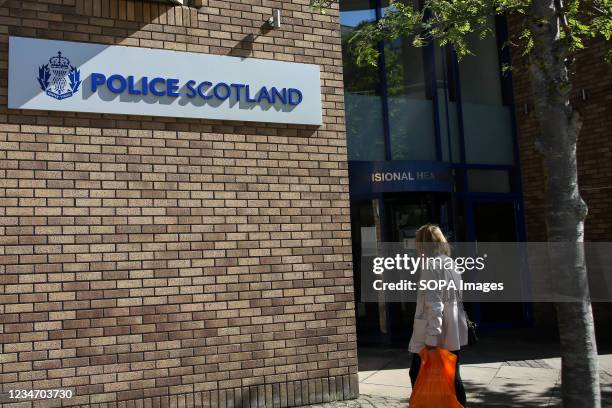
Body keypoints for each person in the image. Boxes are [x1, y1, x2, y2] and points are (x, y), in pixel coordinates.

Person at [408, 224, 469, 406]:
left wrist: (432, 337)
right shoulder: (451, 264)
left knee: (417, 373)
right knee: (452, 374)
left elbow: (434, 304)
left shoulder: (430, 267)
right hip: (453, 330)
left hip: (435, 331)